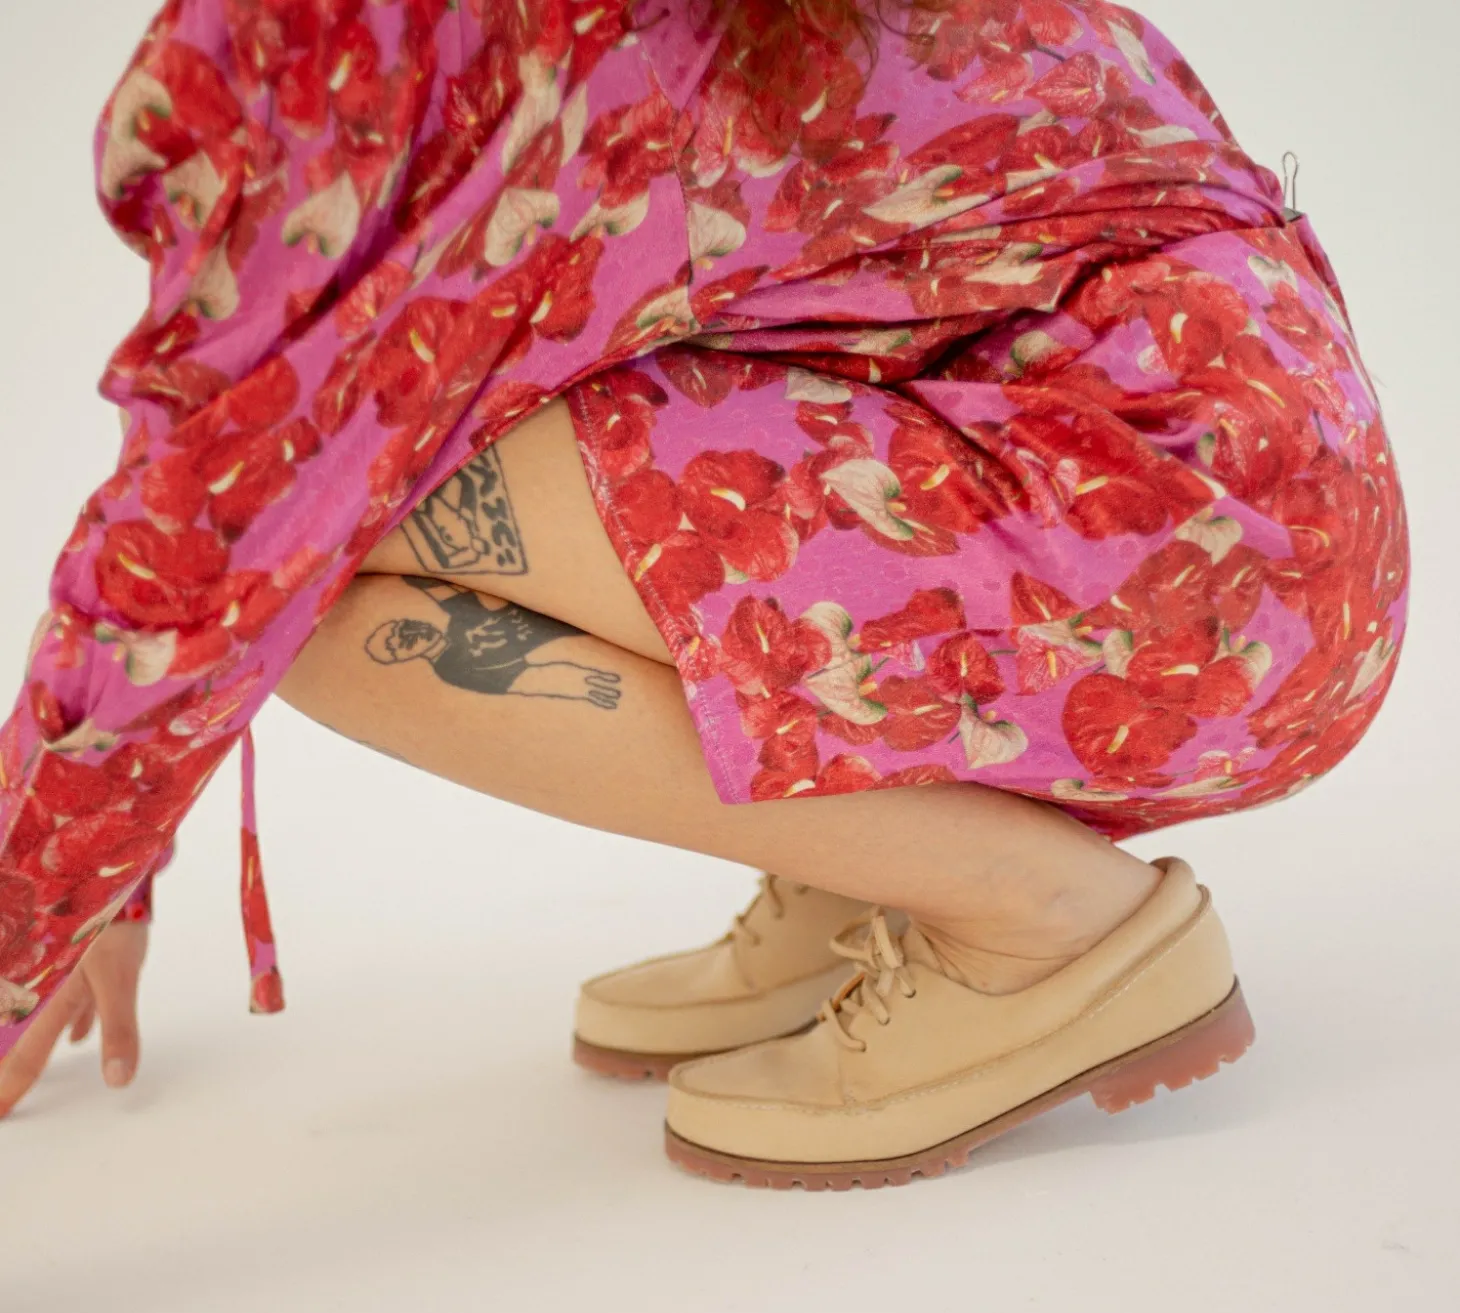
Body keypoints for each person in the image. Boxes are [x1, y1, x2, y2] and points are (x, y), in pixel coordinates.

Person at [0, 0, 1407, 1189]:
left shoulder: (445, 43)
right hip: (1281, 543)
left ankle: (1041, 919)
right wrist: (116, 845)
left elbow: (232, 507)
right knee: (469, 417)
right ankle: (872, 863)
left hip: (1178, 570)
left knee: (333, 599)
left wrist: (56, 894)